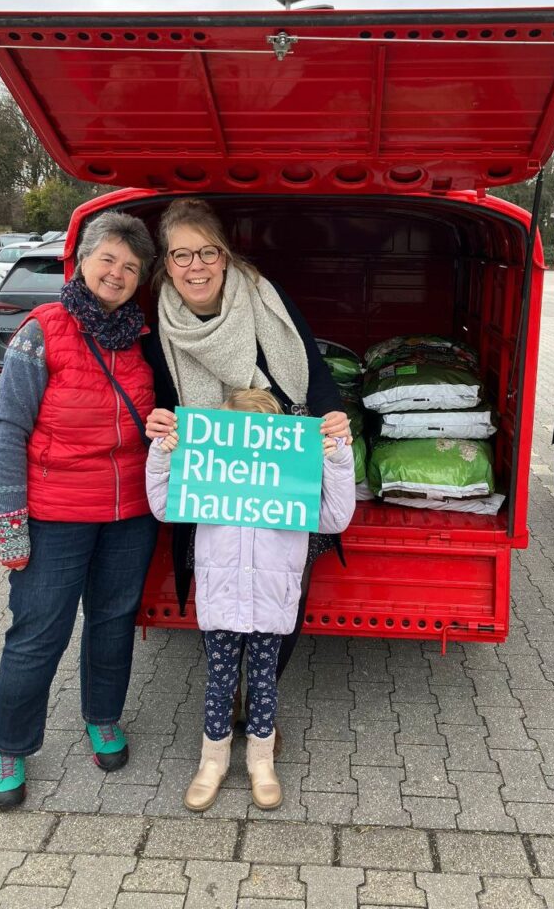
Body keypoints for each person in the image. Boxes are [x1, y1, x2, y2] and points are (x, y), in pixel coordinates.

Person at [143, 198, 351, 751]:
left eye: (207, 252)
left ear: (225, 255)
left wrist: (332, 423)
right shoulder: (160, 323)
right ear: (167, 264)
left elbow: (310, 367)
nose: (196, 266)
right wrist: (158, 425)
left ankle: (261, 704)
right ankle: (227, 694)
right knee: (220, 590)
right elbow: (160, 397)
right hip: (212, 474)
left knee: (283, 593)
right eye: (181, 255)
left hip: (285, 466)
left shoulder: (264, 296)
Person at [0, 211, 159, 809]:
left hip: (130, 514)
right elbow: (8, 431)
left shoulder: (142, 338)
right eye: (107, 258)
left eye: (130, 266)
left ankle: (103, 717)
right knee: (38, 633)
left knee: (113, 623)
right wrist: (11, 523)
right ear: (82, 261)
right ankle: (9, 746)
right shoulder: (42, 331)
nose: (117, 273)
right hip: (55, 515)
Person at [145, 387, 355, 810]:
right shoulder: (209, 477)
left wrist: (336, 458)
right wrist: (163, 455)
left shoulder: (292, 480)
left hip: (271, 600)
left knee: (264, 682)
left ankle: (262, 761)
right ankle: (212, 761)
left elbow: (335, 517)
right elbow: (164, 507)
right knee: (219, 684)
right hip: (222, 597)